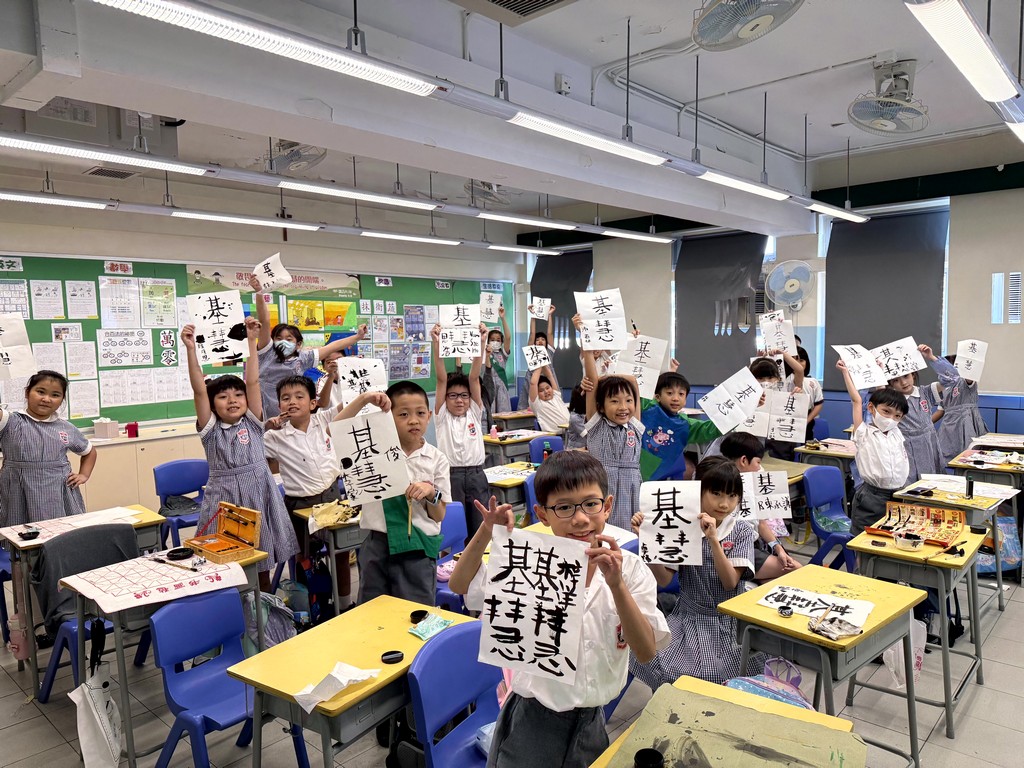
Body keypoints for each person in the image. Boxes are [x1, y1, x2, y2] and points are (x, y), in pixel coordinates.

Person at [449, 451, 669, 768]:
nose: (580, 518)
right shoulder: (528, 563)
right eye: (564, 507)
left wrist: (616, 585)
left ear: (608, 505)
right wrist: (486, 531)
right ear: (542, 514)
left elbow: (646, 651)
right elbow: (459, 584)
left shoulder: (631, 570)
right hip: (531, 720)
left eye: (590, 504)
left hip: (592, 719)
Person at [181, 318, 299, 591]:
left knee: (261, 560)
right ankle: (232, 607)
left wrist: (252, 341)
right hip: (224, 499)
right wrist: (191, 349)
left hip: (259, 493)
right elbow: (199, 390)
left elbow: (253, 381)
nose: (232, 400)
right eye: (223, 397)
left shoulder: (253, 422)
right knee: (224, 562)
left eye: (237, 395)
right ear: (213, 405)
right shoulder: (210, 430)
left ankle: (264, 606)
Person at [629, 457, 765, 688]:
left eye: (732, 496)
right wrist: (647, 540)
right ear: (698, 492)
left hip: (729, 621)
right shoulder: (681, 525)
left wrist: (713, 540)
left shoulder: (741, 530)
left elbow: (730, 582)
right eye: (716, 494)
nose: (724, 504)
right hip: (688, 618)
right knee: (656, 659)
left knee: (723, 674)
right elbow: (664, 579)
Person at [263, 375, 390, 611]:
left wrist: (366, 397)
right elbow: (249, 448)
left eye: (299, 396)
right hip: (300, 505)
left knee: (340, 553)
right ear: (279, 405)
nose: (292, 401)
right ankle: (310, 611)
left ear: (313, 403)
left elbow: (347, 406)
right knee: (304, 560)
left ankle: (345, 604)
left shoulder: (324, 420)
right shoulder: (275, 436)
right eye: (285, 398)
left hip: (332, 498)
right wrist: (265, 426)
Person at [357, 381, 451, 606]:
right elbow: (336, 429)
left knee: (415, 614)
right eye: (403, 414)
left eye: (420, 413)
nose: (413, 420)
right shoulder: (372, 452)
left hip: (418, 548)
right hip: (377, 545)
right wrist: (365, 399)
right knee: (373, 611)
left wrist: (431, 493)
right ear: (388, 417)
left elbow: (439, 515)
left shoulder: (437, 459)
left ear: (429, 416)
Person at [248, 275, 366, 418]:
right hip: (264, 415)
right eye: (278, 338)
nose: (283, 342)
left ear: (298, 344)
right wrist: (259, 293)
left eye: (289, 339)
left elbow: (332, 346)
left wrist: (357, 337)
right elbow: (265, 320)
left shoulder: (303, 358)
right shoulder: (267, 353)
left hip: (293, 416)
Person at [0, 370, 96, 528]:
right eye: (40, 392)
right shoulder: (10, 421)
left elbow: (89, 452)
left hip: (59, 491)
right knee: (18, 533)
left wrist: (84, 475)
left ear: (62, 400)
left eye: (55, 395)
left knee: (62, 533)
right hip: (17, 490)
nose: (46, 399)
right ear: (27, 392)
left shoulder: (66, 427)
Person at [574, 313, 643, 531]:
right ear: (601, 406)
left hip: (632, 489)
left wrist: (631, 344)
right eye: (614, 401)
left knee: (633, 535)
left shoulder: (635, 426)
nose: (623, 407)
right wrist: (586, 339)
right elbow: (594, 383)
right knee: (604, 533)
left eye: (628, 401)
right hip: (602, 486)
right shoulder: (597, 425)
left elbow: (633, 381)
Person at [837, 360, 910, 537]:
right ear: (871, 408)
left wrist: (879, 373)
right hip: (872, 497)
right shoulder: (864, 432)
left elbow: (882, 396)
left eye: (897, 416)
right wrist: (846, 373)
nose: (891, 418)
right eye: (886, 412)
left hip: (898, 494)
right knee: (866, 540)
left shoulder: (895, 432)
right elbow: (856, 400)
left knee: (893, 539)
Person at [431, 322, 489, 540]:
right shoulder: (441, 416)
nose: (459, 400)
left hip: (476, 475)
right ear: (446, 399)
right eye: (453, 396)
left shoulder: (474, 412)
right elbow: (441, 379)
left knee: (480, 527)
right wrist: (436, 344)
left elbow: (473, 377)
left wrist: (481, 343)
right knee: (455, 530)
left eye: (464, 396)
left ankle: (479, 560)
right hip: (451, 476)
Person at [719, 431, 801, 582]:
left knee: (774, 582)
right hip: (735, 550)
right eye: (758, 462)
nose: (759, 468)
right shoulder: (723, 488)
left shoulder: (750, 484)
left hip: (754, 546)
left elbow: (761, 523)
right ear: (744, 460)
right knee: (797, 571)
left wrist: (778, 548)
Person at [640, 370, 720, 481]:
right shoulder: (647, 408)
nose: (675, 398)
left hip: (660, 475)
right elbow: (637, 386)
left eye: (681, 394)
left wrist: (732, 416)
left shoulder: (684, 424)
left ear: (685, 399)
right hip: (635, 467)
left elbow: (709, 429)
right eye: (669, 393)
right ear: (657, 397)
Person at [884, 345, 943, 480]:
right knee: (910, 483)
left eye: (906, 376)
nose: (903, 382)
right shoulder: (891, 401)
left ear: (913, 375)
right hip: (906, 448)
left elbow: (952, 379)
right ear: (890, 384)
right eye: (896, 380)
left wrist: (931, 357)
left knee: (932, 481)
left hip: (929, 444)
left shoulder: (926, 392)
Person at [928, 351, 987, 464]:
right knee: (946, 456)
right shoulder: (943, 387)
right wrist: (926, 424)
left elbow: (970, 378)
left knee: (969, 454)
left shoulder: (965, 381)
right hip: (949, 427)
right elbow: (941, 410)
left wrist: (969, 363)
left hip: (967, 423)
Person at [518, 303, 559, 406]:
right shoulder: (531, 350)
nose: (540, 341)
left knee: (552, 404)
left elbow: (549, 333)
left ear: (546, 343)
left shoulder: (549, 352)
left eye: (543, 339)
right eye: (537, 340)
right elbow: (532, 333)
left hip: (548, 381)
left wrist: (549, 315)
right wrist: (533, 315)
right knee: (530, 405)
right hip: (532, 380)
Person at [789, 346, 823, 441]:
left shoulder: (813, 382)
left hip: (806, 419)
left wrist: (807, 420)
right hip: (788, 416)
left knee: (805, 445)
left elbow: (818, 404)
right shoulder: (785, 379)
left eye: (801, 360)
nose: (798, 364)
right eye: (795, 360)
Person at [483, 305, 512, 414]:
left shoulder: (503, 353)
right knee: (489, 413)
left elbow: (508, 337)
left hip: (501, 385)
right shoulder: (483, 353)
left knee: (503, 413)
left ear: (501, 342)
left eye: (498, 340)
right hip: (488, 385)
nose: (495, 342)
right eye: (492, 339)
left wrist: (503, 318)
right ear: (488, 341)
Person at [529, 366, 570, 434]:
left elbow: (550, 376)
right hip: (555, 436)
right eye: (541, 390)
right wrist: (539, 365)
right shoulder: (537, 403)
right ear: (537, 393)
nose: (546, 392)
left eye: (548, 388)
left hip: (571, 433)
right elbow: (533, 383)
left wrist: (544, 364)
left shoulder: (556, 395)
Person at [564, 382, 589, 451]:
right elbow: (588, 435)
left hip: (585, 450)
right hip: (575, 451)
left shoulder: (586, 414)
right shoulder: (575, 418)